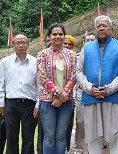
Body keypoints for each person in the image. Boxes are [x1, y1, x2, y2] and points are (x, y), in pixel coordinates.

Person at [76, 15, 118, 154]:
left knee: (115, 137)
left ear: (111, 29)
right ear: (95, 29)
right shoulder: (86, 48)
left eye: (104, 26)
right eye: (98, 26)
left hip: (115, 98)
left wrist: (108, 89)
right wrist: (90, 89)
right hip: (91, 97)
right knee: (93, 137)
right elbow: (78, 70)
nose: (101, 28)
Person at [37, 23, 77, 154]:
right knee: (49, 137)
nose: (58, 36)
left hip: (67, 100)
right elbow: (43, 77)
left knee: (61, 136)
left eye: (60, 34)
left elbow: (74, 75)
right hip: (47, 100)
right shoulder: (42, 54)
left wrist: (63, 95)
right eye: (54, 34)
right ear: (49, 36)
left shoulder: (72, 55)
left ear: (64, 36)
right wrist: (58, 94)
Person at [0, 34, 39, 154]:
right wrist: (1, 103)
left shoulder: (36, 62)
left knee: (29, 137)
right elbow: (0, 83)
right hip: (10, 104)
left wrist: (38, 104)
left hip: (29, 104)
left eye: (24, 42)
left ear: (28, 45)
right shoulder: (5, 62)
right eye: (18, 42)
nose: (21, 45)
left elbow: (39, 85)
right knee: (11, 137)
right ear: (13, 44)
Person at [74, 33, 96, 154]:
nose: (90, 41)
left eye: (92, 40)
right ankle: (79, 147)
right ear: (84, 42)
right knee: (80, 121)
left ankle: (99, 146)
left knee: (97, 121)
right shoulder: (78, 57)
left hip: (97, 92)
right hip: (82, 92)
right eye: (88, 40)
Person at [62, 34, 77, 152]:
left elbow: (74, 77)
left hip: (70, 98)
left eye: (69, 44)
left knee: (68, 124)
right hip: (52, 98)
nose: (67, 46)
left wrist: (65, 93)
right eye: (65, 43)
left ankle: (66, 148)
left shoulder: (74, 58)